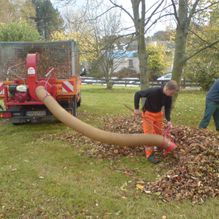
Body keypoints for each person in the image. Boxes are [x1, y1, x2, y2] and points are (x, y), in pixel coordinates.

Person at [134, 80, 179, 164]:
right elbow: (138, 94)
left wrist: (168, 120)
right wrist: (136, 108)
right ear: (168, 89)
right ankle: (150, 155)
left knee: (159, 133)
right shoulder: (153, 91)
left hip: (158, 114)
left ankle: (159, 146)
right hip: (148, 114)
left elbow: (167, 109)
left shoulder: (168, 97)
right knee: (149, 135)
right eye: (172, 93)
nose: (172, 95)